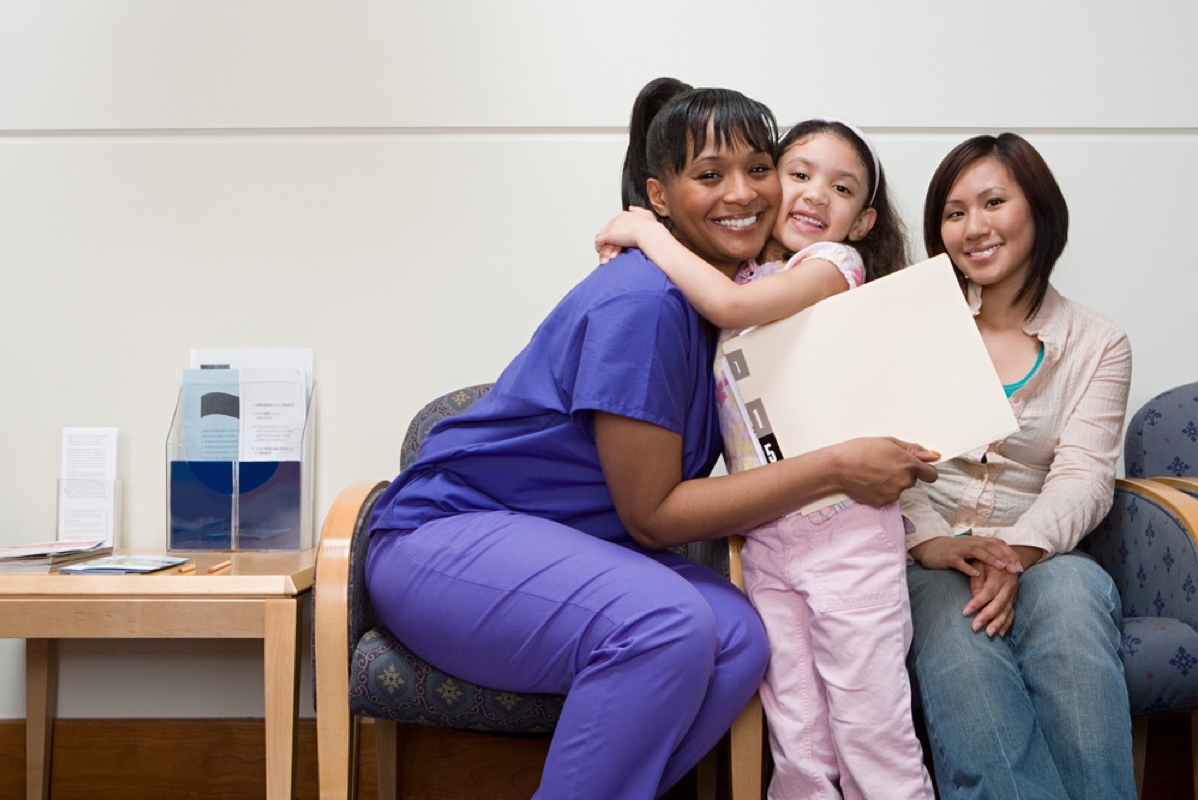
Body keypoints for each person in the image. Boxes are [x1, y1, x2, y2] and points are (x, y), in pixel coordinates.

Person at [365, 77, 939, 800]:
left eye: (758, 168)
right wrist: (837, 468)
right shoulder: (646, 303)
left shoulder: (732, 309)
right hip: (444, 541)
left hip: (562, 549)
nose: (743, 193)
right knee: (669, 626)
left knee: (738, 638)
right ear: (658, 197)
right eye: (709, 175)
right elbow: (653, 516)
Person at [596, 119, 942, 799]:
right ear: (768, 182)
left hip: (849, 537)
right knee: (799, 741)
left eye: (841, 187)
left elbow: (730, 305)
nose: (816, 194)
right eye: (799, 173)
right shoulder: (748, 267)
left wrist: (646, 231)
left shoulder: (834, 267)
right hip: (767, 541)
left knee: (872, 734)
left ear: (863, 218)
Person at [901, 132, 1137, 799]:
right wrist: (940, 543)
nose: (973, 227)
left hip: (1043, 548)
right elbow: (886, 459)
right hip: (929, 552)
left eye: (992, 202)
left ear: (1037, 207)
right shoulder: (918, 327)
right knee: (957, 624)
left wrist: (1014, 552)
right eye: (953, 212)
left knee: (1073, 599)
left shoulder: (1099, 342)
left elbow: (1084, 477)